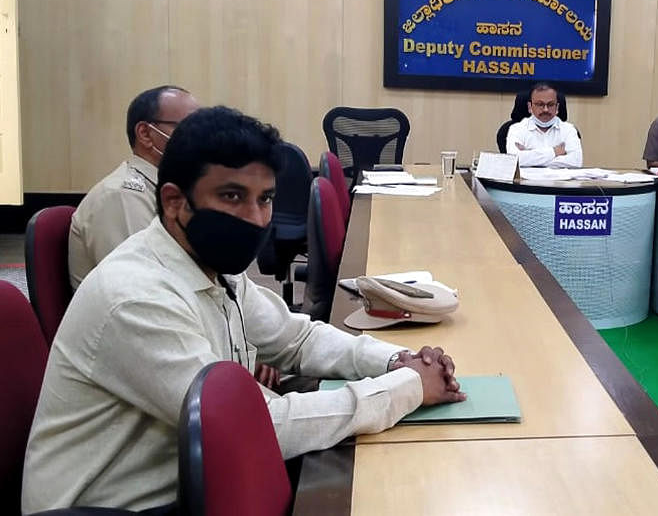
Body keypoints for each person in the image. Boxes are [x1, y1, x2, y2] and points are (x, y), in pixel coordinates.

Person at [23, 106, 465, 512]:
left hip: (196, 477)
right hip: (120, 505)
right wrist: (406, 388)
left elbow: (297, 338)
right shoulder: (135, 297)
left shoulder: (211, 264)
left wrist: (393, 360)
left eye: (266, 198)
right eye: (233, 197)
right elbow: (253, 429)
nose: (255, 218)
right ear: (175, 202)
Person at [68, 85, 199, 288]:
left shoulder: (171, 190)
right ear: (145, 134)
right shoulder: (120, 197)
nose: (200, 138)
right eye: (188, 127)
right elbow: (140, 285)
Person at [505, 82, 583, 168]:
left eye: (550, 105)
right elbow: (515, 160)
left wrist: (530, 157)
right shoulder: (516, 129)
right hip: (528, 180)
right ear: (530, 107)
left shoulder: (569, 130)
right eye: (540, 104)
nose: (545, 109)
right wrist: (554, 152)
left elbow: (576, 162)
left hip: (560, 181)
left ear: (557, 108)